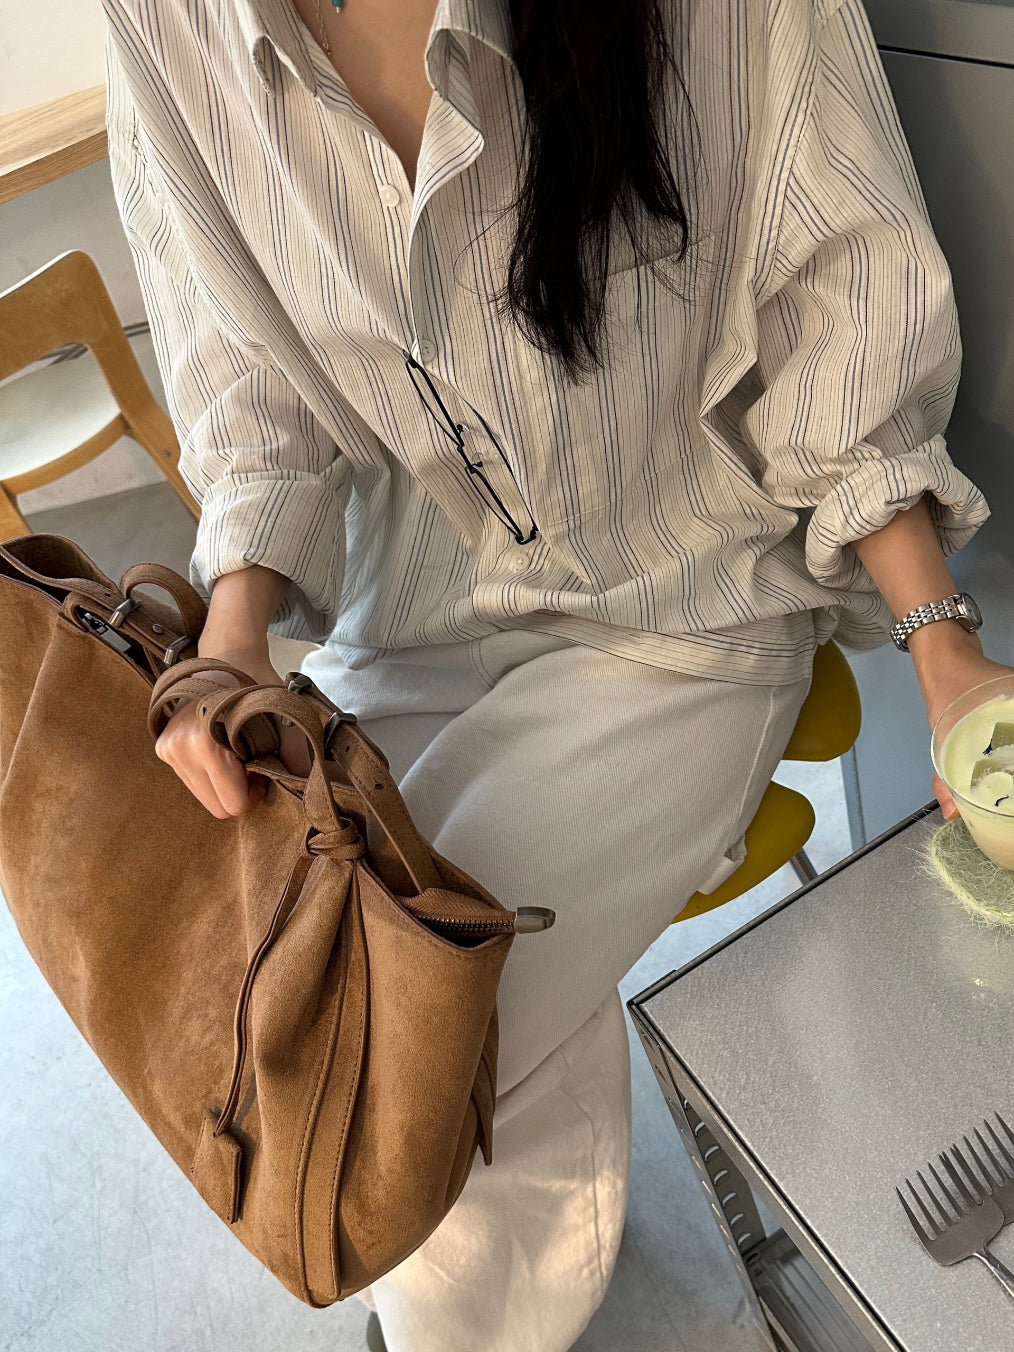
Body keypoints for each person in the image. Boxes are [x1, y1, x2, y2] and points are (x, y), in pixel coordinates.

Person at [101, 0, 1010, 1346]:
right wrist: (232, 642)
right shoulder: (164, 24)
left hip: (678, 608)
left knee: (398, 1043)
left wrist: (944, 648)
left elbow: (839, 308)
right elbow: (245, 380)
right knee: (318, 983)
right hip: (407, 605)